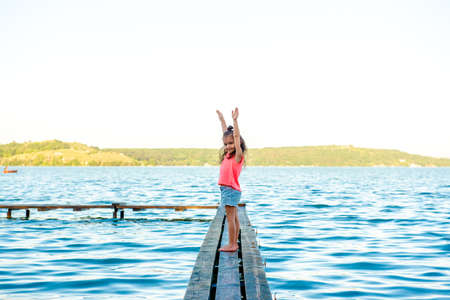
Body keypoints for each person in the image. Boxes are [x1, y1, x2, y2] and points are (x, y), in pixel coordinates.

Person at [216, 107, 247, 252]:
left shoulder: (238, 156)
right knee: (234, 218)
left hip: (230, 189)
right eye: (226, 144)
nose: (228, 146)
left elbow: (235, 137)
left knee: (230, 218)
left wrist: (235, 121)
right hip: (228, 189)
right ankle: (234, 242)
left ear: (238, 143)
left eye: (231, 144)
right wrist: (222, 120)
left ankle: (232, 244)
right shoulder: (228, 155)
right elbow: (226, 135)